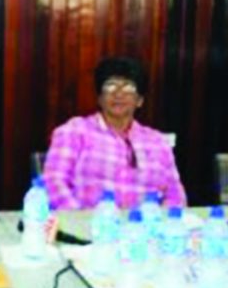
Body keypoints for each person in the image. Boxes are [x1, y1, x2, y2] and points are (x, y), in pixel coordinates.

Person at [42, 56, 186, 210]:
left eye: (128, 88)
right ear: (100, 98)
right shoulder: (75, 131)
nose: (118, 94)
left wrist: (164, 224)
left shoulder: (157, 142)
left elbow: (175, 194)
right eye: (110, 86)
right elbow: (53, 182)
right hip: (89, 229)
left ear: (140, 100)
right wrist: (80, 221)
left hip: (145, 230)